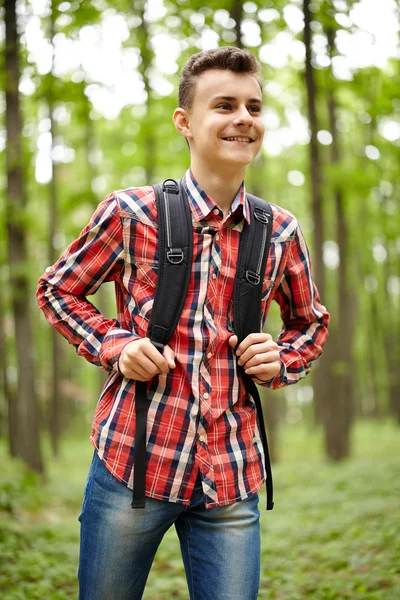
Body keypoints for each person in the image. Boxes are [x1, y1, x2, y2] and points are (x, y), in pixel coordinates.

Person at [36, 46, 329, 600]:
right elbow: (57, 289)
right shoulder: (132, 213)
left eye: (254, 107)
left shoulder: (281, 231)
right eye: (224, 105)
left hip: (233, 476)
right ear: (185, 123)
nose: (244, 118)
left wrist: (282, 359)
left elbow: (309, 325)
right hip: (133, 467)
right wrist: (116, 344)